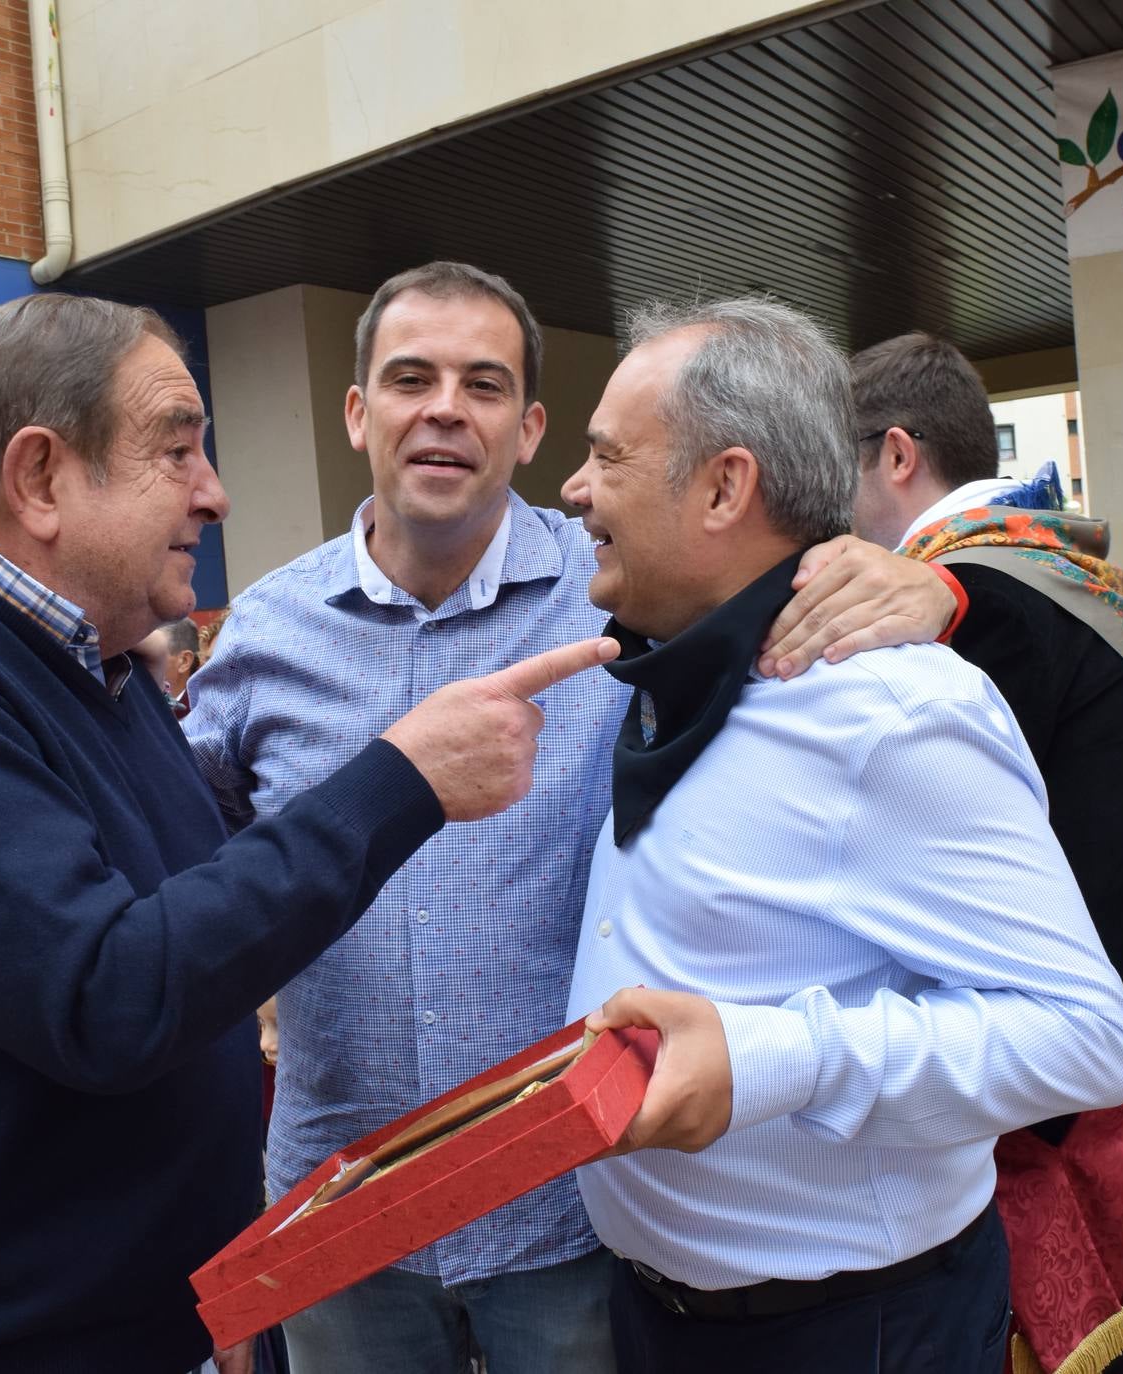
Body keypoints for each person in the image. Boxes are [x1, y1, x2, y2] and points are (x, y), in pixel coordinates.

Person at [0, 292, 616, 1374]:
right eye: (178, 450)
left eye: (485, 384)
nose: (216, 493)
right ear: (41, 477)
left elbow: (194, 920)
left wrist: (207, 1270)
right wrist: (404, 781)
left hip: (234, 1295)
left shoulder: (93, 665)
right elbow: (111, 993)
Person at [186, 260, 961, 1374]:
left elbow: (781, 596)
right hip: (341, 1218)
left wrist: (935, 584)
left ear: (532, 426)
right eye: (410, 378)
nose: (445, 406)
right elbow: (185, 874)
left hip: (572, 1216)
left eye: (484, 384)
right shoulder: (264, 631)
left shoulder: (622, 593)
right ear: (358, 413)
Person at [559, 298, 1123, 1373]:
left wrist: (778, 1058)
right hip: (657, 1314)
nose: (573, 488)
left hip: (848, 1329)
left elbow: (1086, 1038)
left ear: (726, 485)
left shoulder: (892, 715)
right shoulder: (674, 667)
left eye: (604, 457)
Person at [848, 332, 1123, 1370]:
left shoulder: (972, 604)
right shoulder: (1054, 568)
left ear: (898, 455)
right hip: (1106, 1018)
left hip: (1032, 1069)